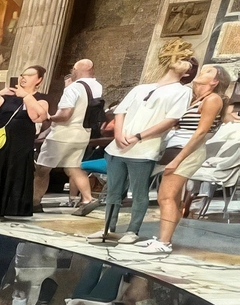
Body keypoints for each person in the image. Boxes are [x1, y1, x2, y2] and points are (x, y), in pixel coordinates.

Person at [91, 56, 194, 244]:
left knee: (139, 192)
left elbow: (170, 120)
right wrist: (118, 134)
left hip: (145, 148)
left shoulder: (182, 91)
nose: (179, 60)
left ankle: (133, 230)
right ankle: (108, 228)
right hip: (119, 147)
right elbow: (120, 111)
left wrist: (139, 136)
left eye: (185, 61)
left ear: (187, 72)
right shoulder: (141, 88)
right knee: (113, 190)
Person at [141, 64, 232, 255]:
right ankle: (164, 238)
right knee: (172, 197)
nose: (202, 72)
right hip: (177, 148)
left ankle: (165, 242)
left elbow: (201, 132)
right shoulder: (195, 99)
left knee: (165, 196)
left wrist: (178, 159)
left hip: (188, 151)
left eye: (208, 71)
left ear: (215, 82)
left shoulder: (213, 99)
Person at [0, 66, 50, 220]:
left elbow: (38, 116)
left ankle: (2, 209)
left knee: (11, 173)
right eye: (22, 74)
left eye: (29, 75)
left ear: (39, 80)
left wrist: (26, 96)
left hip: (19, 145)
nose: (23, 77)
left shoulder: (40, 99)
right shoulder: (5, 96)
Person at [35, 58, 101, 212]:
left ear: (79, 70)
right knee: (73, 167)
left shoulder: (73, 88)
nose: (72, 72)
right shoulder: (97, 86)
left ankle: (34, 202)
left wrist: (49, 117)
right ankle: (88, 198)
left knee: (42, 169)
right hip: (82, 134)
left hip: (62, 135)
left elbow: (65, 114)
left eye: (74, 69)